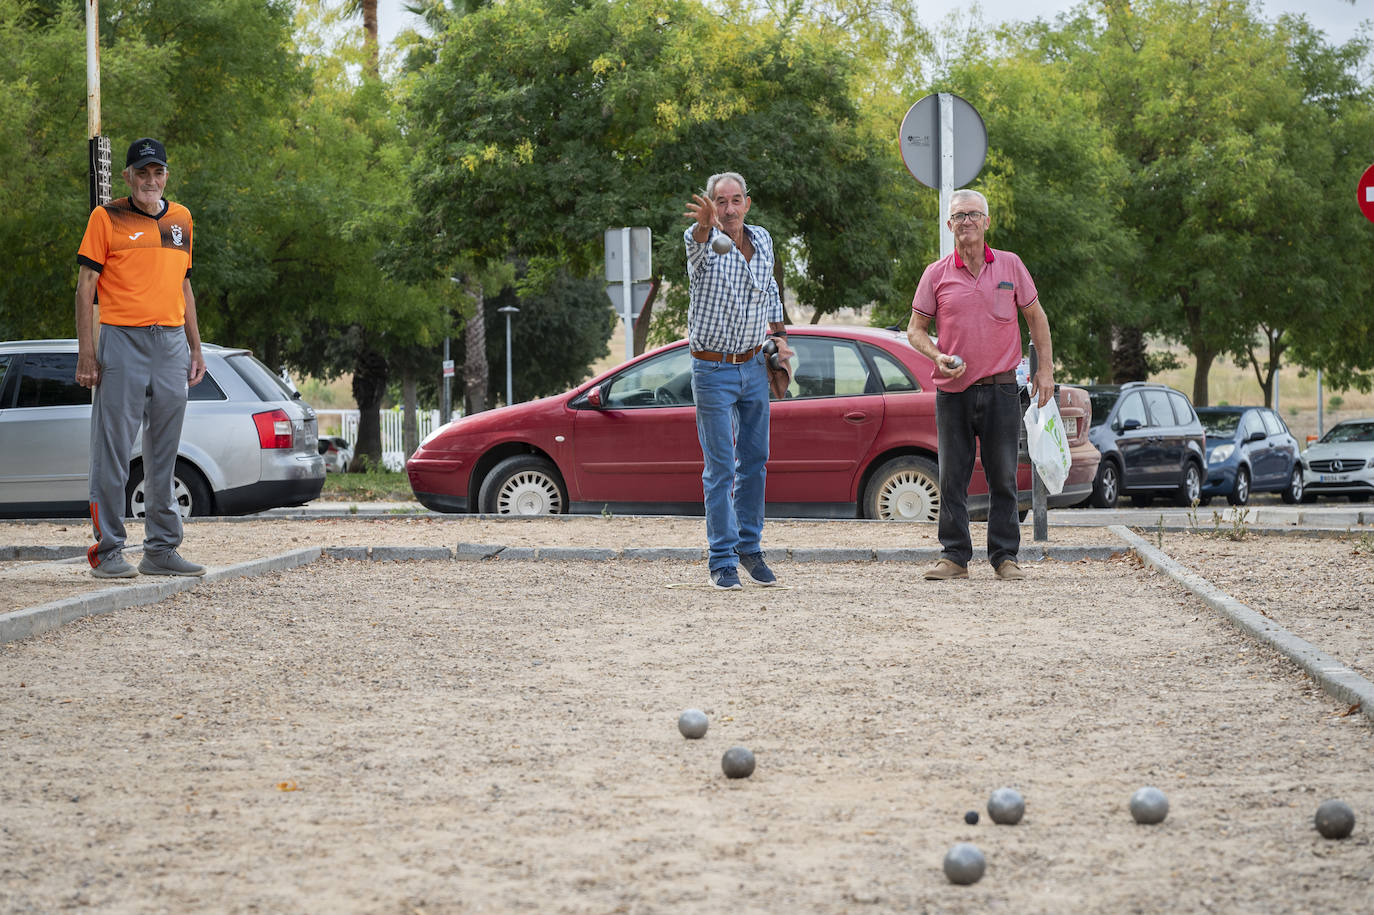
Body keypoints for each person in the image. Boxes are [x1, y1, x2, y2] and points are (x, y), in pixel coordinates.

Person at [75, 137, 207, 579]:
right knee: (112, 451)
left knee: (165, 452)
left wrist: (196, 346)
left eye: (158, 172)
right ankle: (108, 550)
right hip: (122, 341)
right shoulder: (106, 217)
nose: (150, 180)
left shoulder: (182, 220)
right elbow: (85, 286)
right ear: (129, 176)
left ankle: (161, 548)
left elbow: (183, 286)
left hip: (170, 343)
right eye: (142, 173)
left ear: (166, 175)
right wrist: (87, 353)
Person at [907, 189, 1054, 581]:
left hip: (1003, 388)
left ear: (987, 222)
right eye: (959, 216)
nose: (967, 221)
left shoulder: (1010, 266)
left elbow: (1037, 319)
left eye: (974, 215)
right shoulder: (935, 274)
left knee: (1003, 475)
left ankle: (1005, 557)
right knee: (951, 476)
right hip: (952, 392)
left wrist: (1046, 370)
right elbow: (915, 330)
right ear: (949, 224)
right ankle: (954, 557)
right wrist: (937, 355)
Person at [683, 171, 793, 590]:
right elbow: (695, 247)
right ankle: (722, 559)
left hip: (752, 366)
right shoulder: (703, 242)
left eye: (735, 200)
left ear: (748, 202)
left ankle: (749, 548)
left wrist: (779, 338)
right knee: (721, 468)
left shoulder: (762, 239)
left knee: (755, 462)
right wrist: (703, 225)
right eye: (720, 201)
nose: (728, 208)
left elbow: (769, 291)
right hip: (711, 369)